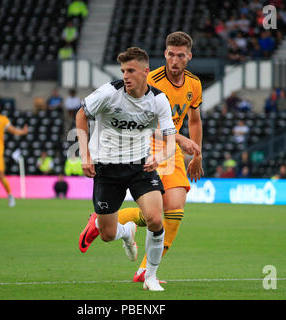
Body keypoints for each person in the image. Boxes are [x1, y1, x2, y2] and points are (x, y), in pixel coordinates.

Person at [78, 32, 203, 284]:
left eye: (180, 55)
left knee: (172, 208)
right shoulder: (149, 82)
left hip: (163, 149)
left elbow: (195, 120)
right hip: (146, 144)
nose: (174, 60)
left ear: (189, 57)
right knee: (140, 219)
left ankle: (147, 270)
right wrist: (85, 153)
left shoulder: (193, 84)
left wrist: (197, 153)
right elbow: (142, 126)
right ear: (164, 55)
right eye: (170, 54)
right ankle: (116, 226)